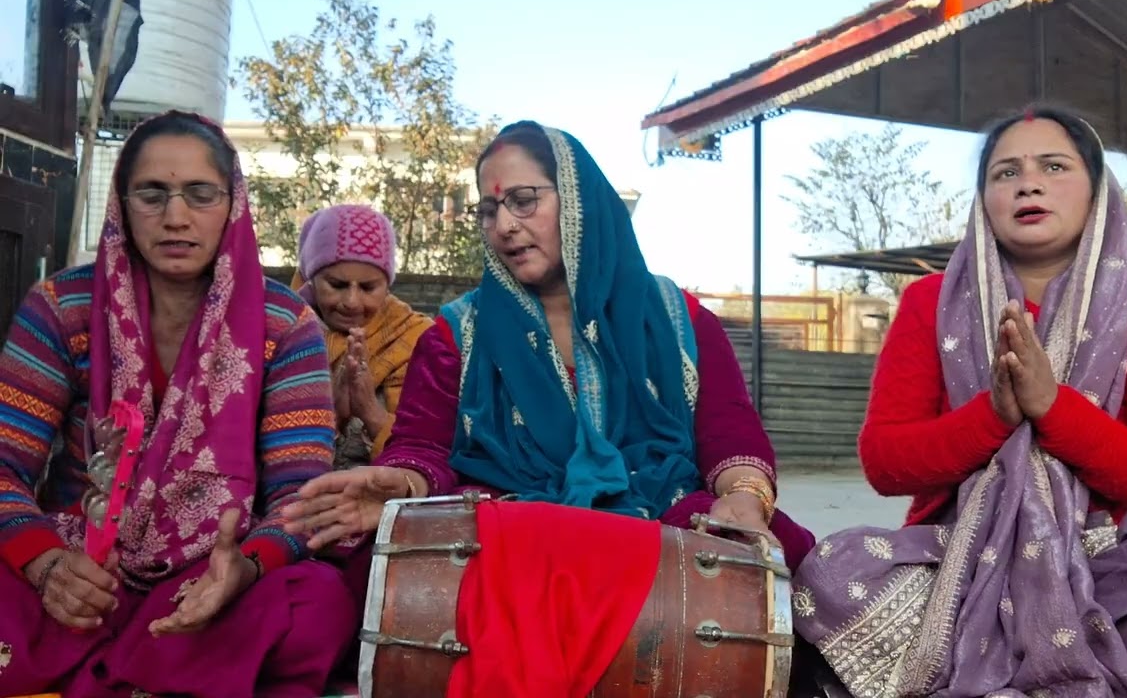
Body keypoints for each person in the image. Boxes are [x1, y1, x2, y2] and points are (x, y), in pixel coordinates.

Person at [789, 105, 1127, 698]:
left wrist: (1054, 409)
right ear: (984, 202)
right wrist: (993, 416)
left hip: (1108, 565)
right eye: (1006, 173)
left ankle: (1003, 661)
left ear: (1097, 191)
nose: (1028, 183)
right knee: (827, 570)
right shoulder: (929, 303)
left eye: (1053, 166)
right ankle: (1082, 663)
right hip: (956, 570)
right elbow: (886, 462)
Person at [283, 119, 815, 562]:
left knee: (782, 559)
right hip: (508, 520)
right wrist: (403, 481)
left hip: (662, 508)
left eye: (523, 201)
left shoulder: (679, 319)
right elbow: (423, 444)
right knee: (366, 570)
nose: (503, 226)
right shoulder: (455, 334)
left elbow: (729, 430)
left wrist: (743, 496)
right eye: (489, 211)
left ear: (578, 200)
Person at [0, 111, 357, 698]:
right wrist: (46, 566)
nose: (175, 217)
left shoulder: (286, 325)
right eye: (152, 194)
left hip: (211, 577)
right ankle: (160, 675)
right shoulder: (62, 307)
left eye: (200, 193)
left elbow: (299, 494)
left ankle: (119, 669)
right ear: (122, 204)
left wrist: (246, 568)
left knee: (315, 603)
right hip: (82, 571)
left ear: (232, 204)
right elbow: (3, 466)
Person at [291, 205, 430, 468]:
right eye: (337, 285)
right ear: (311, 279)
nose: (352, 302)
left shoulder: (418, 340)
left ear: (387, 286)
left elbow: (429, 451)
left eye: (368, 287)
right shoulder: (282, 335)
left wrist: (370, 411)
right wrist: (331, 414)